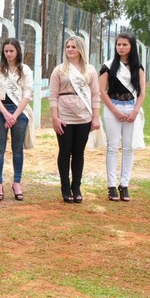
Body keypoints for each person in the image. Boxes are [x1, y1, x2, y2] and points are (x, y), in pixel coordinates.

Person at [49, 35, 101, 203]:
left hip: (84, 116)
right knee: (64, 152)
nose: (70, 50)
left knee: (78, 152)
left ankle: (76, 187)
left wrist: (96, 117)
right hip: (64, 116)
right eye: (68, 47)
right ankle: (65, 188)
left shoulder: (90, 70)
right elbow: (53, 96)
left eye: (73, 47)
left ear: (80, 49)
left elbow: (95, 95)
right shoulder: (59, 70)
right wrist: (55, 117)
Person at [99, 32, 146, 202]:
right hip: (113, 107)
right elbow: (101, 91)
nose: (121, 47)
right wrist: (115, 111)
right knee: (112, 147)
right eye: (118, 44)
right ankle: (111, 186)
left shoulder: (138, 67)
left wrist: (135, 112)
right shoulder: (108, 66)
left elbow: (142, 93)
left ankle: (124, 185)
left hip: (132, 108)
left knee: (128, 147)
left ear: (131, 46)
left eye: (125, 44)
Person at [0, 38, 34, 201]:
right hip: (1, 111)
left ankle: (17, 183)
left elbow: (27, 93)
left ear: (17, 51)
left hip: (19, 112)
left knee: (17, 149)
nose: (8, 54)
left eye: (11, 51)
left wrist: (14, 115)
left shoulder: (25, 70)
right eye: (6, 51)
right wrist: (5, 114)